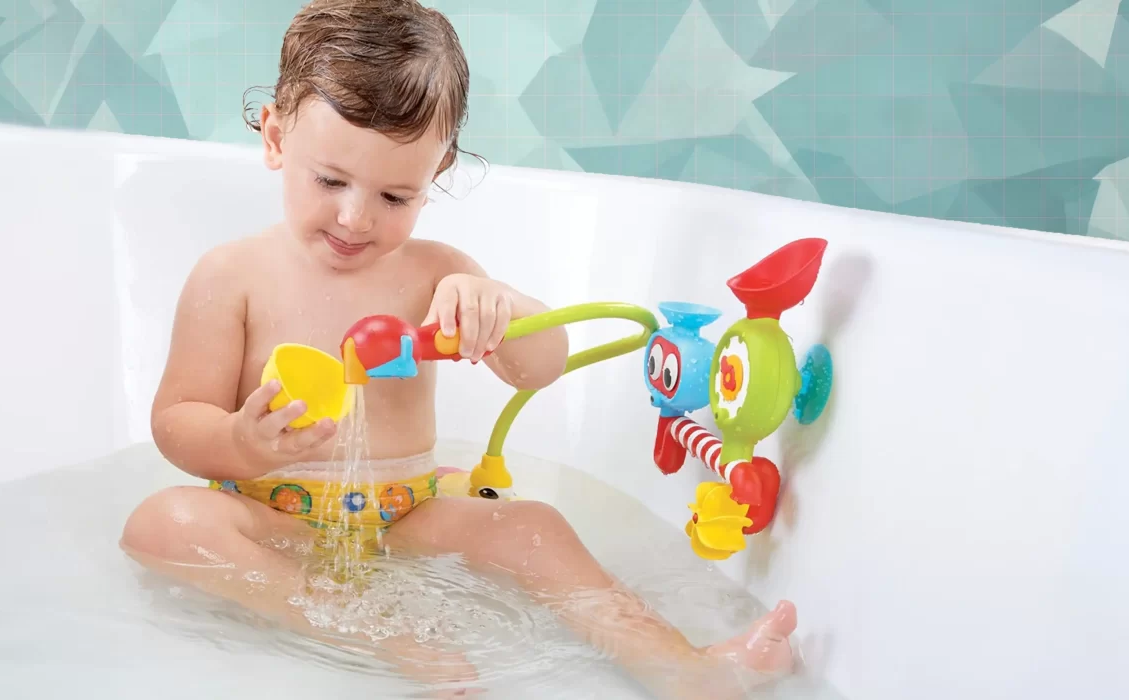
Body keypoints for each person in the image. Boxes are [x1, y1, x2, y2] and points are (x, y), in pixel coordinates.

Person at [119, 1, 797, 697]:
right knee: (163, 522)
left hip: (406, 516)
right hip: (267, 518)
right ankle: (358, 628)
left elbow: (544, 366)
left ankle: (685, 670)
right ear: (274, 139)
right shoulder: (232, 277)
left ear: (437, 171)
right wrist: (242, 441)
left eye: (394, 194)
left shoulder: (437, 272)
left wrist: (500, 308)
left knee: (535, 526)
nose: (356, 217)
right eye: (330, 181)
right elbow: (178, 422)